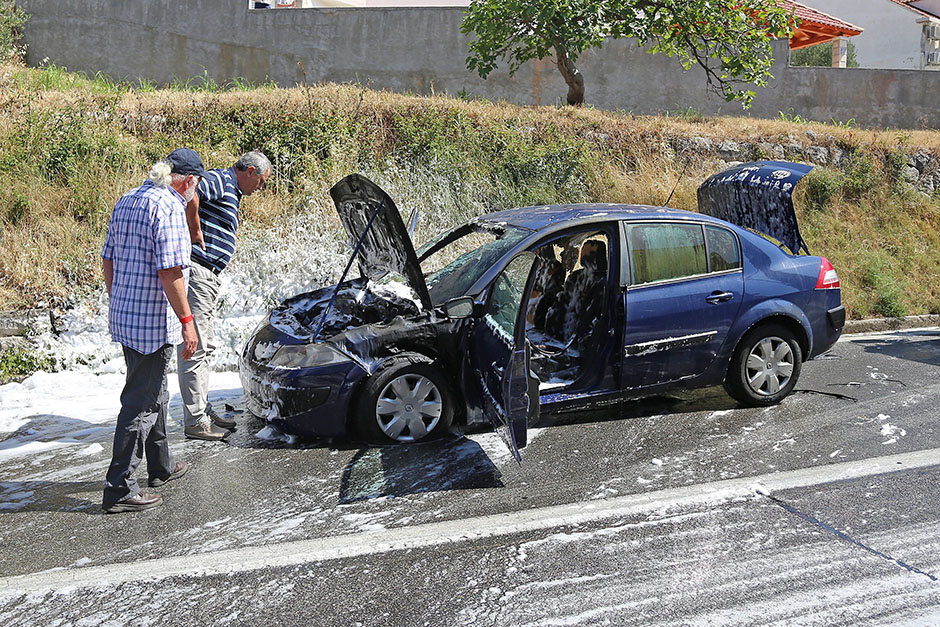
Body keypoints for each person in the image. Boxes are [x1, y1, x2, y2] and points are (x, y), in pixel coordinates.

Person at [100, 148, 205, 513]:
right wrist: (188, 321)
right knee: (141, 403)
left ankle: (160, 465)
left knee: (154, 391)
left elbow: (108, 259)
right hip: (153, 321)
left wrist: (121, 300)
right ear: (188, 181)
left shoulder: (128, 198)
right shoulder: (171, 208)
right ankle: (119, 488)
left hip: (128, 316)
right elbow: (171, 272)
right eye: (197, 186)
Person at [178, 151, 272, 440]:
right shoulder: (222, 180)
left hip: (205, 275)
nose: (261, 189)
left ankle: (201, 412)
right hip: (199, 272)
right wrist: (194, 229)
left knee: (203, 347)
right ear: (250, 171)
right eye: (262, 182)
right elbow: (189, 191)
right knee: (197, 347)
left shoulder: (229, 188)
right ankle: (195, 422)